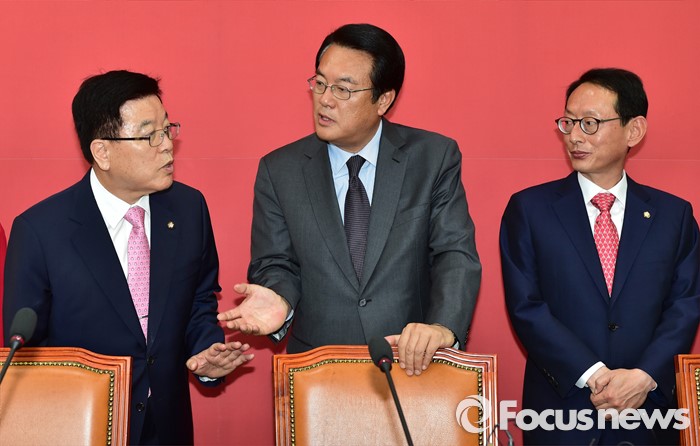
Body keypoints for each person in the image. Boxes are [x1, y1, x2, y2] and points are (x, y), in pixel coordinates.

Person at [3, 70, 254, 445]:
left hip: (167, 428)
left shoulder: (188, 209)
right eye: (150, 135)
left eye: (168, 129)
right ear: (102, 152)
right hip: (80, 428)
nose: (167, 146)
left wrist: (207, 353)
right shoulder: (41, 231)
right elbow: (26, 351)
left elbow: (198, 302)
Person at [218, 23, 481, 376]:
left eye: (343, 89)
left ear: (383, 100)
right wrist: (279, 299)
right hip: (317, 370)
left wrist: (442, 327)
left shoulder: (433, 158)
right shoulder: (280, 170)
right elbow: (276, 263)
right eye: (320, 83)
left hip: (412, 364)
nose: (325, 99)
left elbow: (454, 253)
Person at [500, 68, 700, 445]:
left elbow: (686, 305)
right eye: (568, 122)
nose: (574, 136)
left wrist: (644, 376)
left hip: (648, 411)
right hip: (562, 412)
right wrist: (593, 374)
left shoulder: (674, 216)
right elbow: (526, 307)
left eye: (590, 123)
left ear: (634, 130)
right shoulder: (529, 210)